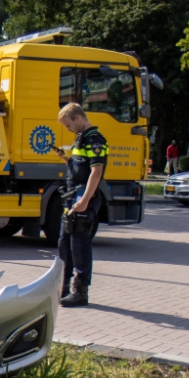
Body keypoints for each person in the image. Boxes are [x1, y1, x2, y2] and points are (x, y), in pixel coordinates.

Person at [53, 102, 107, 308]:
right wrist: (66, 159)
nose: (68, 129)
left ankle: (80, 291)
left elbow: (96, 172)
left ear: (78, 118)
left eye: (68, 125)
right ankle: (64, 287)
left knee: (79, 245)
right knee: (64, 243)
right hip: (71, 198)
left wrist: (85, 201)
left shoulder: (95, 140)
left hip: (82, 199)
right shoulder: (81, 139)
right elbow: (81, 168)